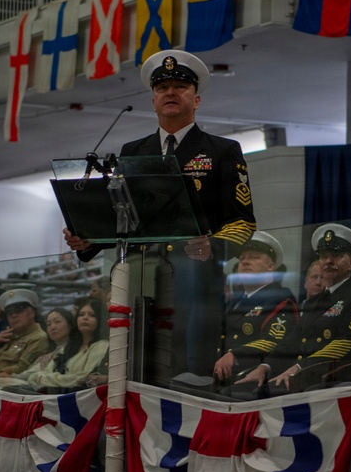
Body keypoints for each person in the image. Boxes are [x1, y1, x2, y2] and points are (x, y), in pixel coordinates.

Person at [63, 49, 256, 374]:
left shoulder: (222, 150)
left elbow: (242, 221)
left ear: (196, 100)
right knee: (138, 369)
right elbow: (123, 216)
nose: (170, 92)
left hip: (194, 284)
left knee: (190, 370)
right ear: (153, 100)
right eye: (161, 88)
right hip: (141, 282)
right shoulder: (133, 152)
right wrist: (89, 239)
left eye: (180, 87)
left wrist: (214, 245)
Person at [252, 224, 351, 392]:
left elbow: (346, 343)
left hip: (332, 376)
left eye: (337, 255)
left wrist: (299, 368)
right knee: (241, 390)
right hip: (303, 375)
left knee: (260, 395)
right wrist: (266, 365)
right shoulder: (315, 301)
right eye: (324, 256)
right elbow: (293, 340)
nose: (328, 261)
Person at [213, 231, 298, 387]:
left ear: (271, 266)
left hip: (253, 380)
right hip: (224, 378)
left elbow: (274, 341)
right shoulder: (235, 301)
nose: (245, 262)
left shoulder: (280, 300)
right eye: (242, 258)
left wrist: (235, 355)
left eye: (254, 257)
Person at [3, 307, 108, 390]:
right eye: (48, 324)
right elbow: (43, 372)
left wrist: (39, 377)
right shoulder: (70, 348)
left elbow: (83, 378)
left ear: (70, 324)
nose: (52, 327)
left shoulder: (101, 346)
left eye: (57, 322)